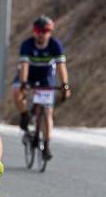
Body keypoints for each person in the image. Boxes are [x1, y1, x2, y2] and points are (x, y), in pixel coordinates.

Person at [13, 15, 70, 158]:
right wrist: (24, 84)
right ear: (34, 31)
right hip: (29, 75)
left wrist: (65, 85)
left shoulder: (55, 45)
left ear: (50, 32)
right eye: (38, 31)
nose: (41, 34)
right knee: (16, 92)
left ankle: (46, 146)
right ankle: (25, 115)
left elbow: (61, 66)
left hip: (46, 77)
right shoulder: (27, 44)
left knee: (47, 113)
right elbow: (24, 66)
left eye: (45, 31)